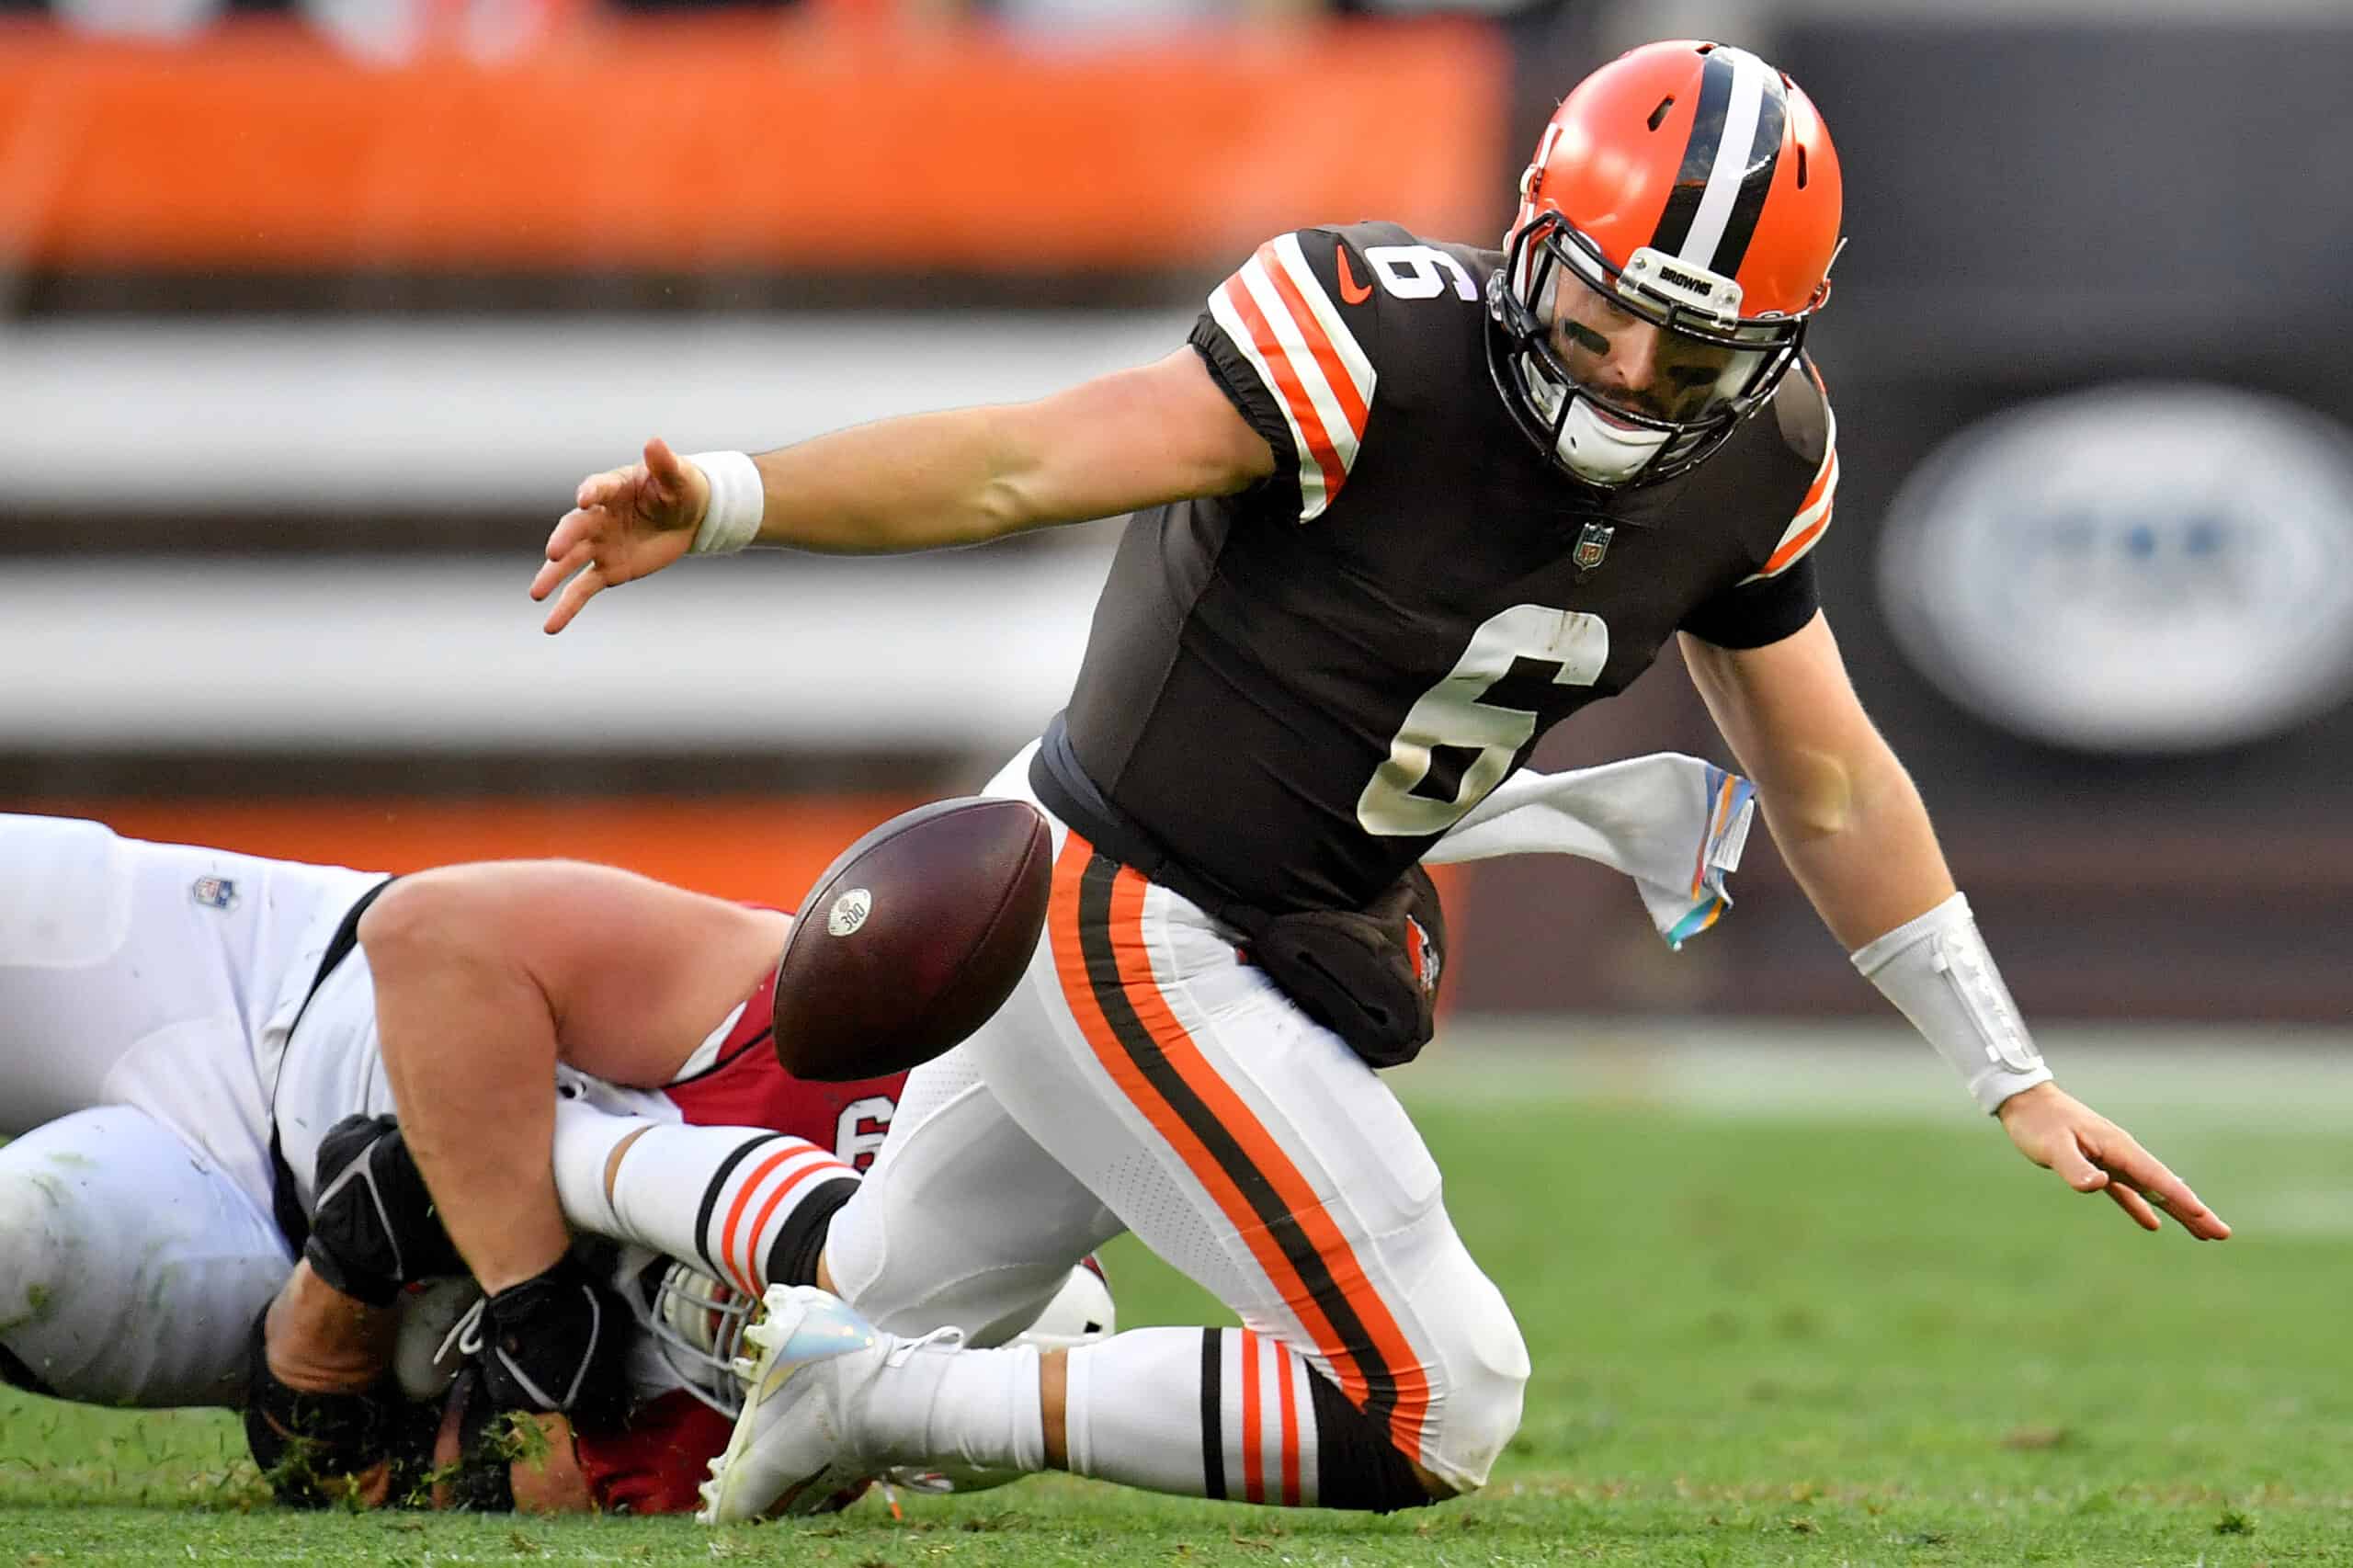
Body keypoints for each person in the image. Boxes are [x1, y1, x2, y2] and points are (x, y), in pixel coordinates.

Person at [525, 38, 2229, 1524]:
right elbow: (1021, 462)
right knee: (1428, 1398)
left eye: (1698, 361)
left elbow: (1831, 779)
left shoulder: (1766, 458)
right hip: (1124, 902)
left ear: (1778, 346)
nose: (1634, 380)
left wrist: (2008, 1072)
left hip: (1237, 928)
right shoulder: (1369, 340)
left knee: (876, 1292)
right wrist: (738, 496)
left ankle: (572, 1165)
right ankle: (844, 1384)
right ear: (1531, 243)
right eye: (1603, 320)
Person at [0, 809, 922, 1509]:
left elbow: (348, 1471)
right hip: (269, 953)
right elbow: (426, 932)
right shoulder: (831, 1033)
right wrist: (528, 1281)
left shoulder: (764, 1445)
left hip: (254, 1237)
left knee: (18, 1238)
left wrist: (352, 1264)